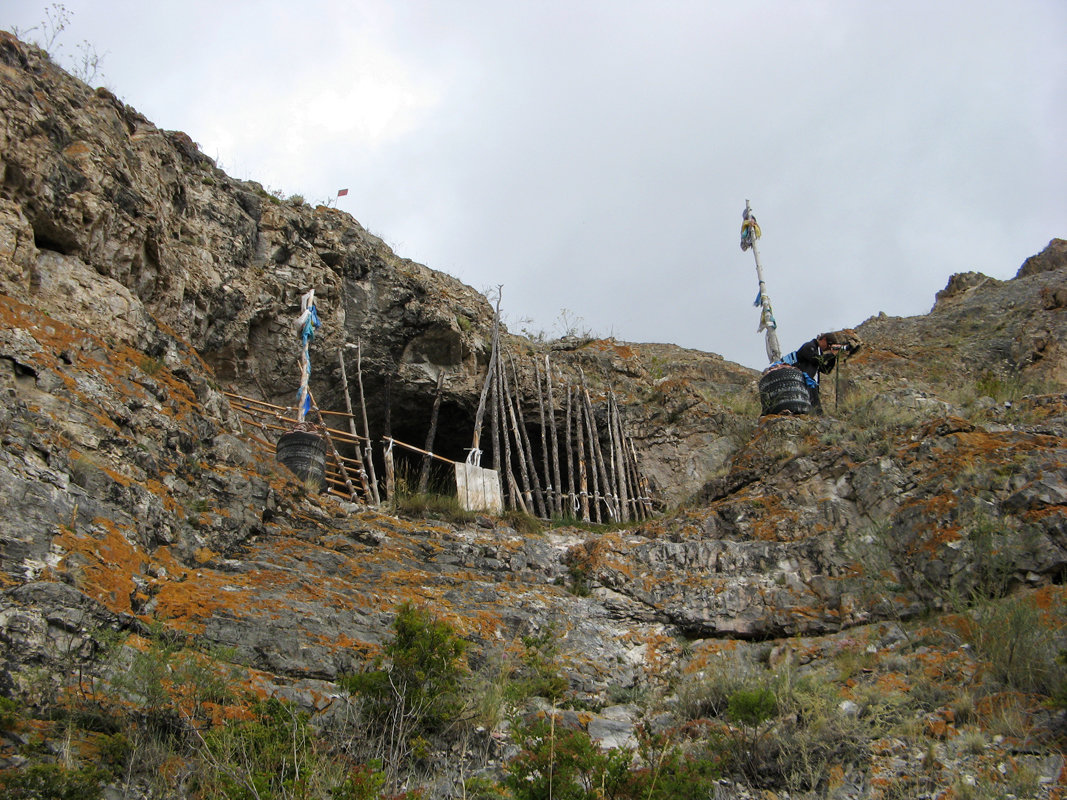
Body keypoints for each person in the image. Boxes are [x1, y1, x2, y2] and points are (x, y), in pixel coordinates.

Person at [783, 330, 861, 413]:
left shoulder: (818, 352)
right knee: (813, 410)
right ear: (823, 339)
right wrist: (831, 354)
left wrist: (833, 356)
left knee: (817, 411)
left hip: (812, 384)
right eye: (829, 344)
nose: (828, 347)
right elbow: (815, 360)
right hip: (803, 382)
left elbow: (826, 370)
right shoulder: (809, 346)